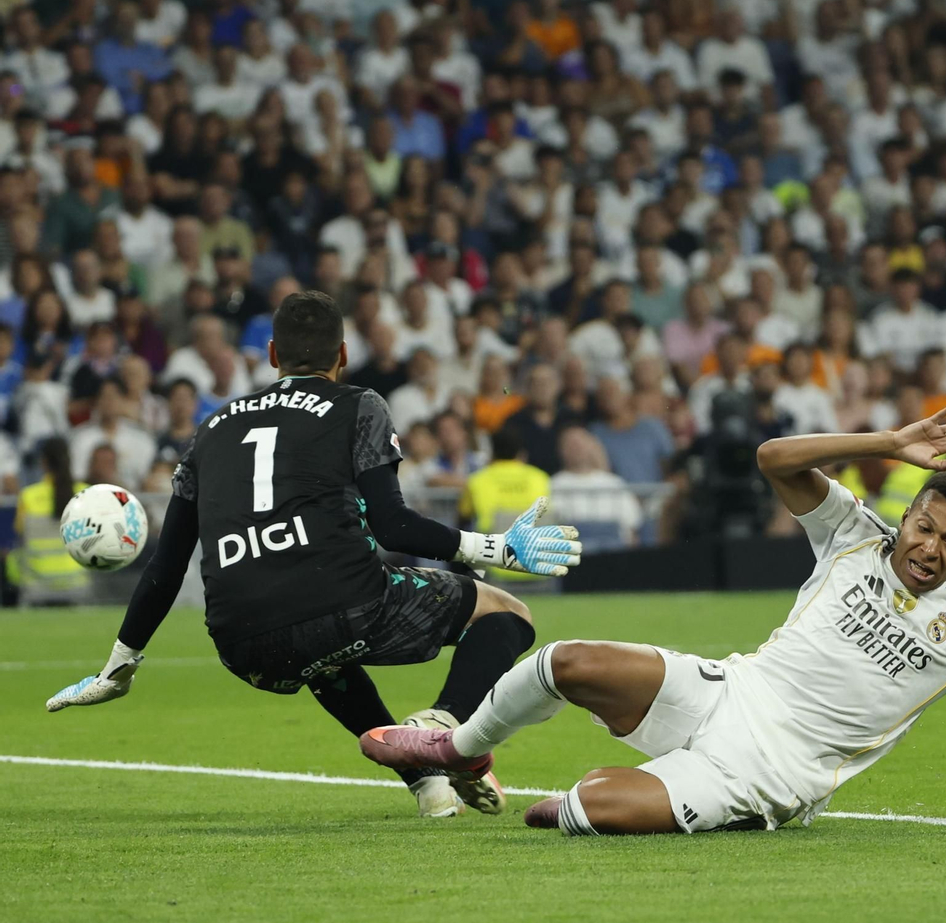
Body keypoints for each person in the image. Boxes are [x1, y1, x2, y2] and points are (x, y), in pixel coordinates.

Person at [358, 405, 946, 835]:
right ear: (906, 515)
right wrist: (886, 440)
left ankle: (611, 803)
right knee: (568, 659)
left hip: (777, 770)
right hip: (729, 689)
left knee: (585, 807)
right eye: (925, 527)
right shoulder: (854, 533)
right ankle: (460, 748)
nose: (930, 549)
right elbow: (774, 456)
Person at [44, 292, 584, 820]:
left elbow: (166, 566)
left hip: (242, 642)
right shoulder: (358, 404)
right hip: (346, 601)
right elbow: (393, 524)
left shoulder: (210, 429)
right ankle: (441, 729)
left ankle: (428, 784)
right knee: (507, 613)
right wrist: (496, 548)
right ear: (342, 354)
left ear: (272, 354)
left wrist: (119, 665)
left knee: (324, 657)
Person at [461, 427, 554, 583]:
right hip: (538, 561)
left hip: (493, 563)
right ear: (521, 453)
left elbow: (463, 517)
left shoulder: (477, 481)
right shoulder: (540, 478)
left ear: (492, 452)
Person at [5, 438, 87, 604]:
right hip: (77, 582)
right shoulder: (86, 493)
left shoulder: (29, 496)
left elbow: (19, 532)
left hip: (35, 584)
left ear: (43, 462)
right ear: (69, 460)